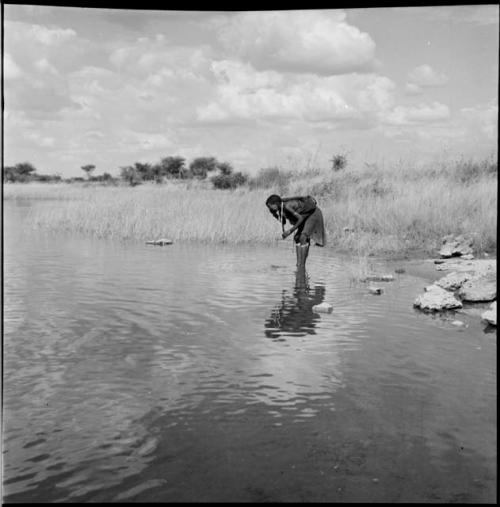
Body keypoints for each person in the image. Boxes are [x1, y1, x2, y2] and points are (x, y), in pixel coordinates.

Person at [265, 194, 325, 268]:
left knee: (303, 237)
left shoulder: (287, 206)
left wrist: (289, 231)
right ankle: (299, 265)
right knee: (297, 237)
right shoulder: (281, 208)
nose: (269, 208)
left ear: (276, 204)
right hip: (305, 215)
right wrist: (275, 215)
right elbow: (283, 222)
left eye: (270, 206)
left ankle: (302, 266)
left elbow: (300, 219)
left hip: (313, 214)